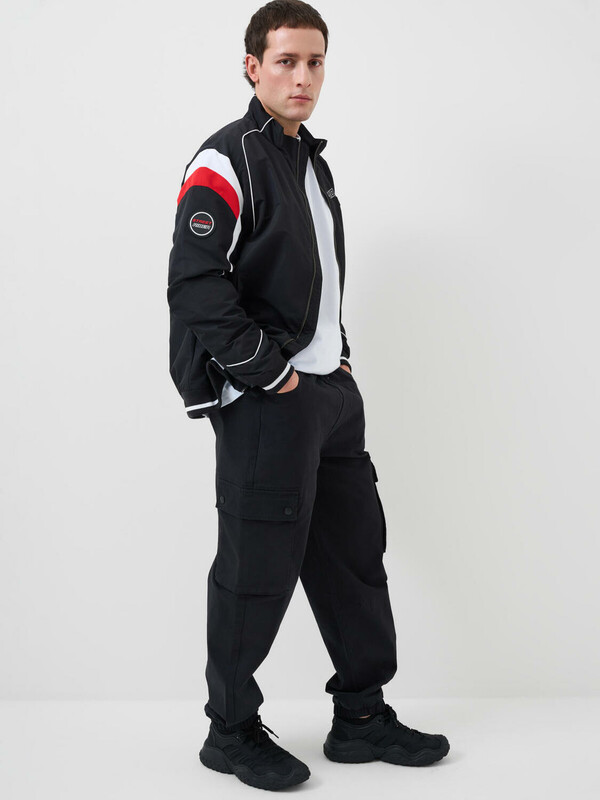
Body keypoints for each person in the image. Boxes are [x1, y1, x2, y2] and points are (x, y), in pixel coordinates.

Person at [167, 0, 450, 790]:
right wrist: (268, 371)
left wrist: (339, 363)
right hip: (270, 403)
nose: (303, 77)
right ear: (252, 66)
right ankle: (229, 731)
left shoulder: (310, 164)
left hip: (330, 401)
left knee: (354, 559)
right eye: (286, 60)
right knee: (255, 568)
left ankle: (361, 718)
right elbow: (194, 284)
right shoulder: (226, 158)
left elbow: (315, 284)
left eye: (315, 61)